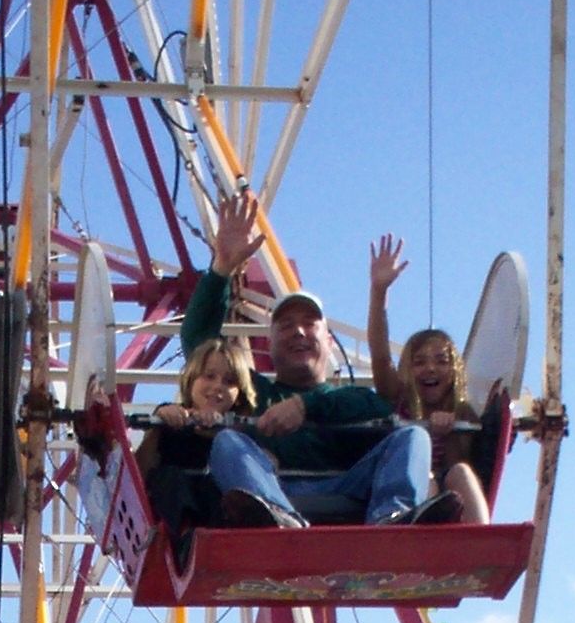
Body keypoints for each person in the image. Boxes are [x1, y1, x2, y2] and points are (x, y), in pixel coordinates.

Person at [179, 194, 461, 528]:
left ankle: (392, 518)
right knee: (227, 443)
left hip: (348, 487)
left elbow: (378, 407)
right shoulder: (254, 392)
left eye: (309, 324)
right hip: (273, 487)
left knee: (413, 436)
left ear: (328, 341)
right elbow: (200, 345)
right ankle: (277, 518)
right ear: (269, 345)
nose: (298, 332)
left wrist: (305, 406)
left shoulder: (350, 398)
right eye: (286, 326)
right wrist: (221, 270)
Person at [367, 234, 492, 524]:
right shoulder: (398, 398)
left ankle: (481, 536)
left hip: (450, 486)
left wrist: (448, 434)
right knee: (426, 478)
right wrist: (379, 292)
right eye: (419, 362)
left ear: (455, 370)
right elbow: (380, 354)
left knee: (461, 473)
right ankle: (420, 528)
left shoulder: (463, 414)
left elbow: (466, 461)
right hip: (411, 484)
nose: (430, 369)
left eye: (441, 361)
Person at [135, 338, 258, 553]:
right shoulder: (170, 420)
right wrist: (158, 425)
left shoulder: (241, 433)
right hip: (174, 519)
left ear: (239, 394)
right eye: (209, 376)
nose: (217, 386)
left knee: (214, 485)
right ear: (191, 380)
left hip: (217, 515)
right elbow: (139, 475)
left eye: (229, 381)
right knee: (168, 477)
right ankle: (186, 535)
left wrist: (219, 431)